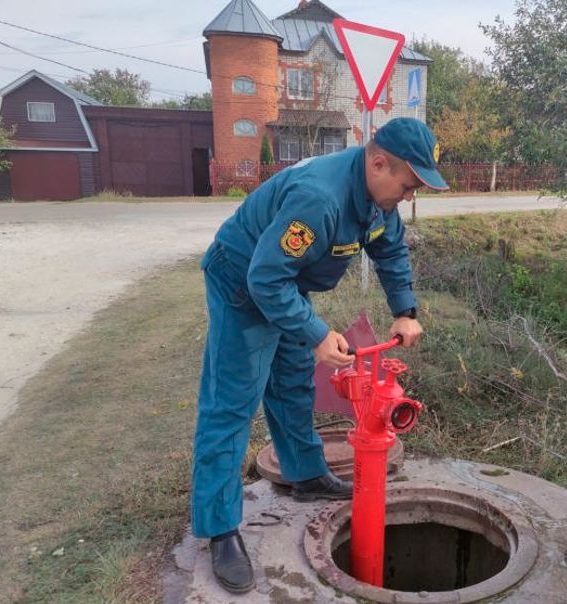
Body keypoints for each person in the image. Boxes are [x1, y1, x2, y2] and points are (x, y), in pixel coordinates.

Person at [191, 117, 450, 593]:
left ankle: (305, 473)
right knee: (231, 403)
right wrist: (314, 331)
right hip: (242, 282)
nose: (411, 195)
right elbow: (263, 278)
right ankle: (219, 529)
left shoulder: (377, 199)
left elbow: (390, 251)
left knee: (292, 381)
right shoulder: (320, 197)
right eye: (409, 184)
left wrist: (405, 310)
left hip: (285, 284)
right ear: (377, 163)